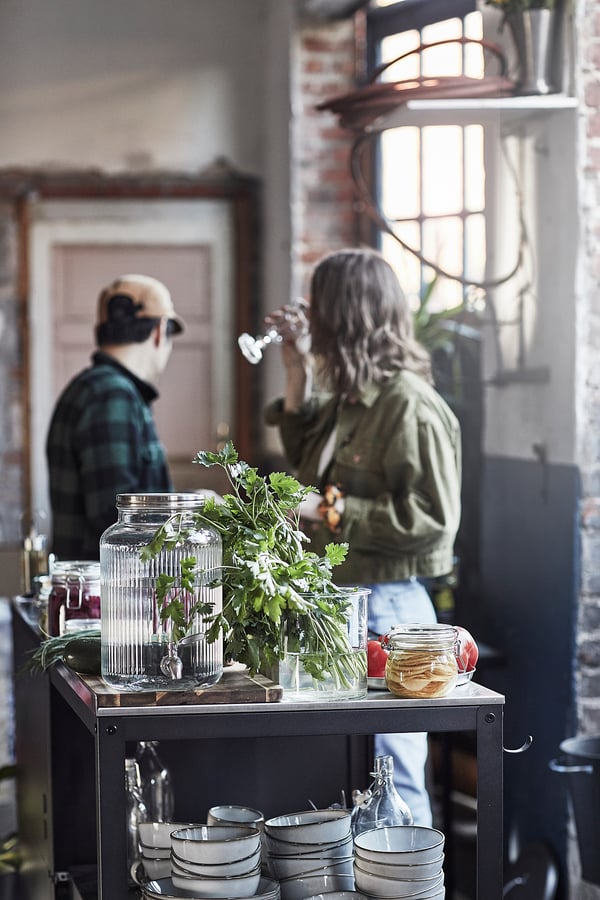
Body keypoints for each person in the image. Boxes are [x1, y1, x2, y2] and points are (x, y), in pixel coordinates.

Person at [265, 247, 462, 826]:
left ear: (343, 318)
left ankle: (407, 886)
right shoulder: (351, 400)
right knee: (344, 771)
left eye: (318, 307)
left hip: (390, 611)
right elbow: (305, 470)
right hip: (344, 606)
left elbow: (433, 520)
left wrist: (331, 512)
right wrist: (297, 371)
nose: (310, 319)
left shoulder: (408, 406)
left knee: (389, 776)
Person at [46, 274, 185, 560]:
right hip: (112, 596)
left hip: (97, 593)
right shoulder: (111, 394)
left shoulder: (96, 388)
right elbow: (116, 519)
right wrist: (194, 507)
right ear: (160, 331)